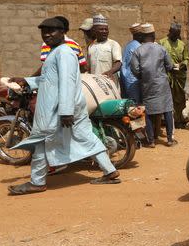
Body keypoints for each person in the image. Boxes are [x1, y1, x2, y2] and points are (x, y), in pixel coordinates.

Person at [7, 17, 120, 195]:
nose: (47, 35)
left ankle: (37, 182)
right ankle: (110, 171)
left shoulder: (64, 53)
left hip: (60, 108)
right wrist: (26, 81)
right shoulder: (56, 53)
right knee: (87, 138)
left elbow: (67, 82)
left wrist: (65, 111)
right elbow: (49, 80)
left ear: (63, 33)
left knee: (41, 141)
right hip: (68, 107)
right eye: (44, 32)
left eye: (52, 31)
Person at [130, 23, 177, 147]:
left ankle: (151, 141)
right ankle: (169, 139)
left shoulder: (138, 50)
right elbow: (169, 65)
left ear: (142, 36)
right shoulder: (161, 48)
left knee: (149, 112)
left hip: (147, 84)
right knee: (167, 110)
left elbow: (134, 69)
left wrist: (143, 77)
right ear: (153, 35)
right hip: (162, 84)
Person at [159, 22, 189, 128]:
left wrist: (183, 64)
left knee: (179, 99)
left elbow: (186, 58)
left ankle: (179, 120)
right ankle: (168, 121)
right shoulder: (162, 43)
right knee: (168, 98)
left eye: (178, 34)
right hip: (167, 76)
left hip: (179, 77)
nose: (176, 36)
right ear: (170, 32)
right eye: (175, 34)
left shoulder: (182, 44)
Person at [87, 14, 123, 88]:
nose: (104, 31)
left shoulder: (113, 44)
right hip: (95, 85)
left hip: (110, 84)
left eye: (106, 29)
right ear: (94, 31)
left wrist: (110, 72)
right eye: (101, 29)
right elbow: (89, 68)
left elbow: (118, 63)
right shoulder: (91, 46)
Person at [119, 23, 143, 102]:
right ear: (140, 35)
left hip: (126, 78)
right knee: (135, 106)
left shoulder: (129, 45)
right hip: (134, 80)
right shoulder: (138, 46)